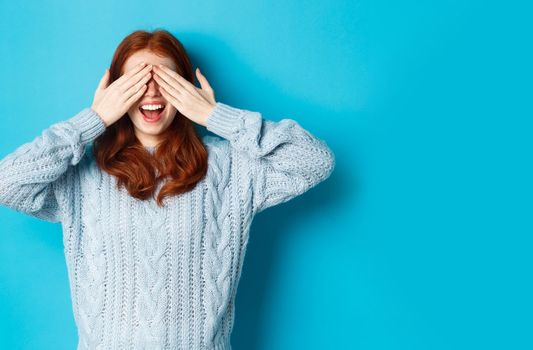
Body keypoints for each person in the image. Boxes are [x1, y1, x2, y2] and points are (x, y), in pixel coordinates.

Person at [0, 29, 335, 349]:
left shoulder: (231, 168)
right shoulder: (83, 175)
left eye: (165, 80)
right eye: (137, 82)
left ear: (185, 88)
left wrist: (214, 114)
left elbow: (315, 161)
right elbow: (8, 183)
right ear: (116, 91)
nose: (151, 92)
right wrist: (93, 119)